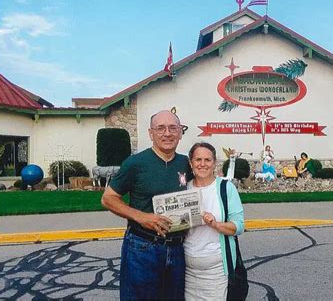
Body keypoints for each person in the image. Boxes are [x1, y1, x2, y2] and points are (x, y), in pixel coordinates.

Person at [101, 110, 192, 300]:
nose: (167, 133)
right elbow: (108, 198)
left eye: (173, 128)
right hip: (142, 247)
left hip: (177, 249)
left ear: (180, 132)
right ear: (151, 133)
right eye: (160, 128)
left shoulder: (186, 163)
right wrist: (141, 217)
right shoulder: (135, 163)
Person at [184, 142, 244, 300]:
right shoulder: (184, 190)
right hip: (186, 271)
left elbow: (238, 226)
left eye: (207, 160)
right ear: (191, 163)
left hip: (216, 271)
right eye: (198, 160)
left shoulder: (226, 189)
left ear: (214, 162)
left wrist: (216, 224)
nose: (202, 164)